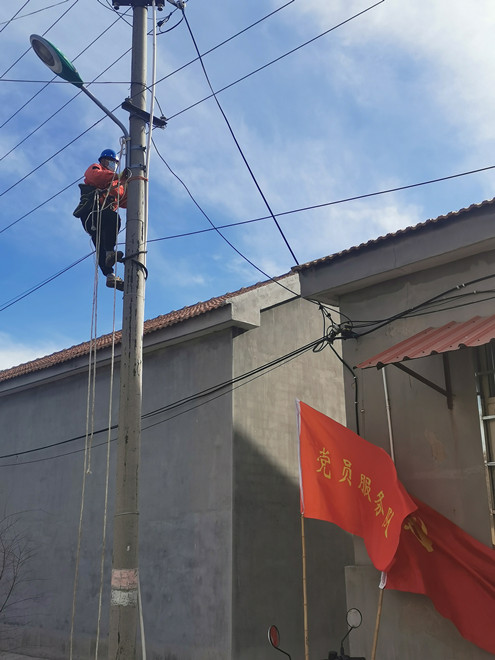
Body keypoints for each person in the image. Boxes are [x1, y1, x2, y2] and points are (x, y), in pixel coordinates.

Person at [73, 149, 129, 291]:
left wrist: (133, 185)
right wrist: (118, 176)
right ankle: (110, 253)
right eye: (111, 162)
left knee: (101, 244)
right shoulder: (96, 168)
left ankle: (110, 276)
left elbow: (124, 200)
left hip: (103, 219)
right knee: (112, 218)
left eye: (115, 163)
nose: (113, 165)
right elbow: (96, 177)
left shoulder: (117, 183)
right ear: (103, 160)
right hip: (92, 215)